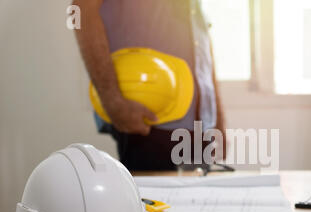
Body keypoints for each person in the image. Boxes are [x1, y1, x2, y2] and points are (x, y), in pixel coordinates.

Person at [73, 0, 225, 171]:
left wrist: (217, 117)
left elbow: (200, 35)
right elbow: (79, 10)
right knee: (152, 197)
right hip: (145, 119)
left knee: (197, 198)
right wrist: (112, 100)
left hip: (200, 124)